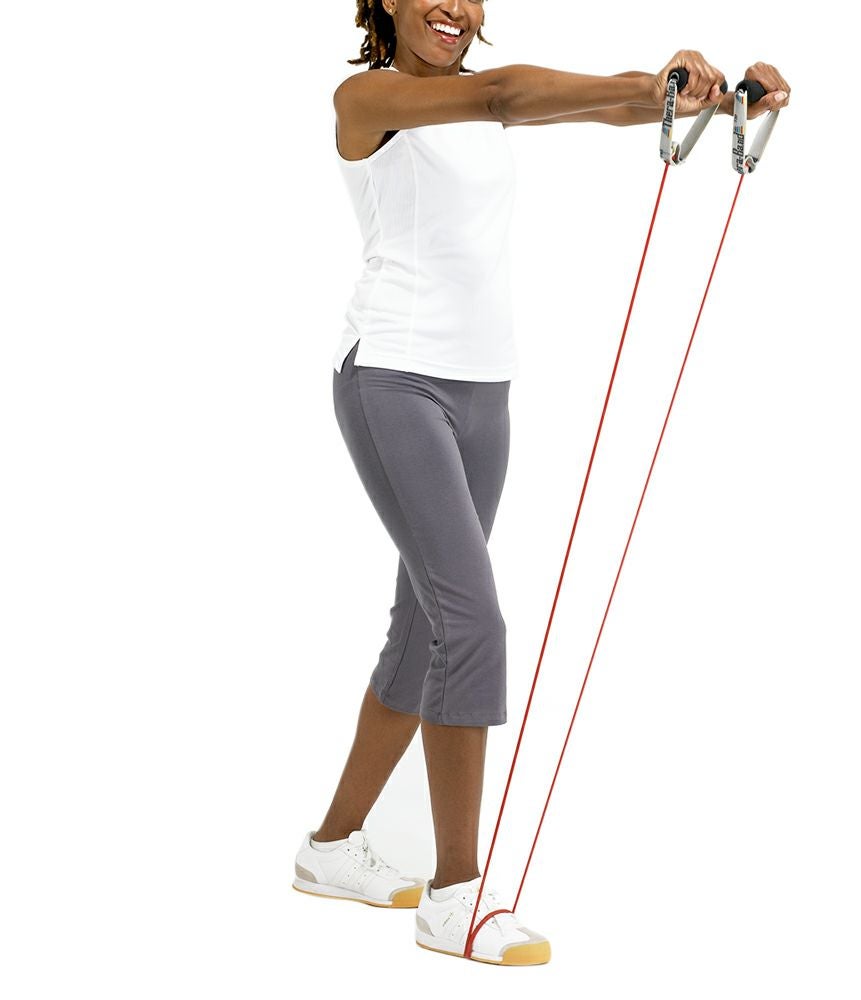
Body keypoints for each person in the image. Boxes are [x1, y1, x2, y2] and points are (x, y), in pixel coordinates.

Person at [292, 0, 792, 967]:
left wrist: (694, 93)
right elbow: (504, 94)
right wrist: (644, 84)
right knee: (472, 623)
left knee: (426, 629)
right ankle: (457, 897)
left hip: (484, 388)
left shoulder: (486, 105)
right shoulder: (368, 99)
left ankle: (330, 849)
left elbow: (586, 108)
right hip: (393, 379)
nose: (454, 7)